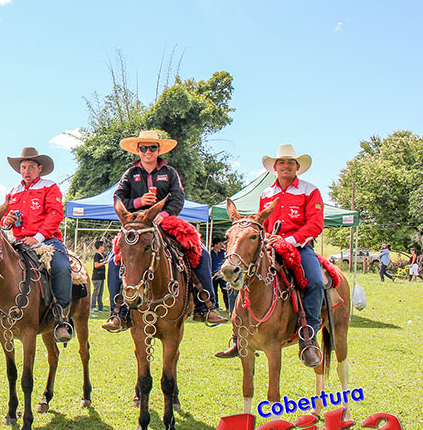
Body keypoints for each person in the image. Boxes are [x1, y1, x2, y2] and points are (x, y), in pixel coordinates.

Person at [102, 130, 227, 331]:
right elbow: (118, 198)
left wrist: (165, 214)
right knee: (113, 258)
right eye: (144, 148)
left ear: (158, 150)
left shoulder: (169, 172)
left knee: (201, 251)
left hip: (165, 222)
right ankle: (118, 313)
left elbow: (178, 198)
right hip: (137, 225)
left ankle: (207, 306)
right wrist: (139, 202)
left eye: (152, 148)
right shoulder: (130, 174)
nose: (148, 151)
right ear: (138, 150)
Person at [216, 144, 325, 367]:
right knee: (242, 278)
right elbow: (261, 224)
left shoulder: (309, 190)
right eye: (281, 163)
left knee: (314, 282)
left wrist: (289, 241)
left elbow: (315, 223)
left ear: (297, 167)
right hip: (269, 246)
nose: (286, 166)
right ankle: (239, 335)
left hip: (299, 246)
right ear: (275, 167)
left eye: (290, 163)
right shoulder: (267, 193)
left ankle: (308, 338)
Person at [0, 147, 74, 342]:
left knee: (62, 268)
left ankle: (61, 318)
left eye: (31, 167)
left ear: (39, 168)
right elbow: (1, 221)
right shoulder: (13, 192)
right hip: (18, 242)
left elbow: (55, 214)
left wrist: (38, 237)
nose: (26, 171)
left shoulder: (49, 187)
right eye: (23, 167)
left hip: (47, 241)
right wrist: (6, 222)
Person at [210, 239, 234, 312]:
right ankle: (216, 306)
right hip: (213, 274)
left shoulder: (223, 252)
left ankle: (228, 307)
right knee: (214, 291)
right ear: (216, 245)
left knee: (225, 290)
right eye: (220, 244)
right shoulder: (210, 252)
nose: (221, 245)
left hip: (221, 274)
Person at [90, 241, 107, 312]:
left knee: (101, 292)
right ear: (100, 247)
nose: (104, 247)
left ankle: (100, 307)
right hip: (97, 277)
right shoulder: (97, 255)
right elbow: (96, 265)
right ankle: (93, 306)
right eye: (103, 246)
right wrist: (104, 262)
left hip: (101, 277)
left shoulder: (102, 255)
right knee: (96, 292)